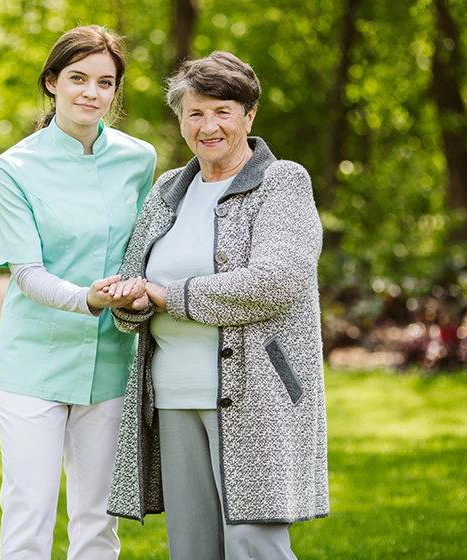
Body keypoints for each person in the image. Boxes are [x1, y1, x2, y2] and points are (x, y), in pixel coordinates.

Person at [106, 51, 329, 559]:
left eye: (222, 111)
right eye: (195, 112)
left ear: (249, 116)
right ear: (181, 120)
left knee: (254, 548)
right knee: (192, 549)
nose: (208, 126)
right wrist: (129, 298)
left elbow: (274, 282)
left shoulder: (283, 182)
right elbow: (137, 283)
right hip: (172, 394)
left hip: (257, 397)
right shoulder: (169, 189)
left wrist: (168, 296)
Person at [0, 25, 156, 560]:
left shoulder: (140, 159)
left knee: (98, 522)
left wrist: (139, 292)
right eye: (77, 78)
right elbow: (27, 273)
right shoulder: (15, 167)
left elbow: (145, 250)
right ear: (52, 83)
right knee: (28, 518)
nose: (91, 92)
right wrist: (89, 298)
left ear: (116, 91)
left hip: (111, 359)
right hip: (32, 364)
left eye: (104, 82)